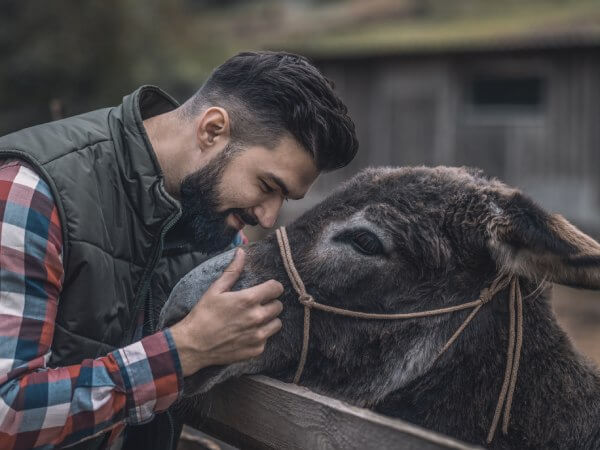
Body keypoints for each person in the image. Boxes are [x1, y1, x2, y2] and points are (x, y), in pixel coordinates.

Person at [0, 51, 358, 449]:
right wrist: (182, 352)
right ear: (212, 129)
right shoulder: (32, 193)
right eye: (268, 186)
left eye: (285, 198)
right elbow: (6, 413)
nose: (270, 218)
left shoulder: (216, 237)